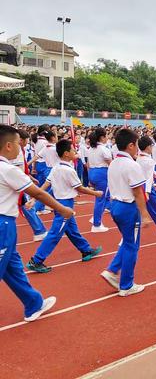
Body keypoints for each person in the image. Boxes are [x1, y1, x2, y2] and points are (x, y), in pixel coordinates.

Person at [0, 125, 74, 321]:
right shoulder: (7, 169)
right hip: (3, 225)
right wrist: (62, 209)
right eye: (17, 143)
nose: (21, 146)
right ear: (8, 146)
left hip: (7, 225)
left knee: (13, 266)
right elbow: (38, 192)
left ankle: (34, 303)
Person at [26, 139, 103, 273]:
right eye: (73, 150)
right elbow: (80, 188)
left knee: (72, 230)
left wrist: (33, 198)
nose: (75, 152)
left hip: (62, 203)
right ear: (67, 153)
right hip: (64, 204)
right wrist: (96, 193)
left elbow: (46, 184)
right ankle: (36, 260)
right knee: (55, 233)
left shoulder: (56, 167)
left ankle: (85, 250)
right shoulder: (68, 170)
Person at [100, 129, 149, 296]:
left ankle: (112, 270)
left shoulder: (114, 163)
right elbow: (137, 192)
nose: (138, 149)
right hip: (128, 208)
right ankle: (127, 285)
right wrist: (144, 214)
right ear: (130, 145)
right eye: (136, 145)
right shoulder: (132, 165)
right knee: (132, 246)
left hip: (116, 206)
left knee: (127, 242)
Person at [13, 129, 47, 242]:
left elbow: (22, 167)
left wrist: (30, 177)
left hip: (21, 182)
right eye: (27, 140)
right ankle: (39, 231)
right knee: (27, 206)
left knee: (27, 207)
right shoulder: (15, 151)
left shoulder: (20, 150)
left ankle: (39, 230)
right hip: (18, 184)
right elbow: (16, 169)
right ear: (21, 140)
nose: (28, 142)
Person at [86, 128, 112, 232]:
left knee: (103, 197)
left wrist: (89, 177)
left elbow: (88, 164)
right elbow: (111, 164)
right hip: (102, 173)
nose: (107, 138)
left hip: (93, 172)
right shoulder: (103, 149)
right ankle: (96, 224)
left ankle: (96, 217)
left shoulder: (91, 149)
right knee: (100, 199)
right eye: (106, 136)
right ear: (102, 137)